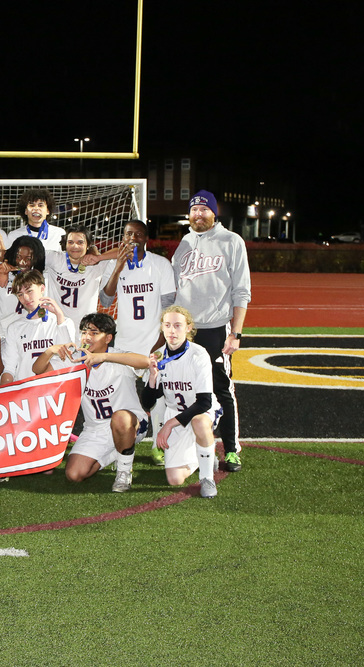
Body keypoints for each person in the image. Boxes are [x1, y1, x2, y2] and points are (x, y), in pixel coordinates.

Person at [171, 190, 250, 472]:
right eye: (194, 210)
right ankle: (190, 444)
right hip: (184, 331)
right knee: (185, 388)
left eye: (204, 210)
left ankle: (231, 449)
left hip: (216, 329)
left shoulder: (232, 241)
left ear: (214, 213)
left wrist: (236, 333)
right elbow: (175, 287)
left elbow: (242, 291)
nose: (199, 214)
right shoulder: (186, 241)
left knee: (221, 389)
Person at [34, 313, 149, 492]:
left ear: (108, 338)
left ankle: (124, 472)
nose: (87, 337)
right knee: (74, 474)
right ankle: (118, 454)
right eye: (84, 332)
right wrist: (50, 351)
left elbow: (146, 362)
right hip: (95, 429)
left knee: (119, 418)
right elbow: (38, 371)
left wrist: (103, 357)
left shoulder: (118, 356)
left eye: (94, 333)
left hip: (130, 423)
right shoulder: (75, 359)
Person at [142, 306, 222, 498]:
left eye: (178, 325)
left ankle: (207, 477)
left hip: (201, 411)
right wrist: (153, 377)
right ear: (162, 328)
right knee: (174, 479)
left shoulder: (198, 354)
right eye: (168, 325)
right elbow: (147, 402)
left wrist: (169, 423)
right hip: (176, 411)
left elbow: (204, 402)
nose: (172, 331)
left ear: (188, 328)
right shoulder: (158, 356)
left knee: (199, 422)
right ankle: (205, 453)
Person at [98, 220, 176, 356]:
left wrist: (162, 340)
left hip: (153, 341)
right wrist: (118, 268)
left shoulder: (161, 264)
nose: (133, 238)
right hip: (123, 342)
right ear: (123, 238)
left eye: (138, 234)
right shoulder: (112, 265)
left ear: (146, 238)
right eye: (129, 234)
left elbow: (168, 307)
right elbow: (106, 301)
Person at [0, 269, 75, 384]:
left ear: (42, 288)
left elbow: (66, 358)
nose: (26, 298)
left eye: (29, 291)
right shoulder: (14, 328)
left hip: (53, 391)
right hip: (25, 393)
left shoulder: (64, 322)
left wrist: (59, 316)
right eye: (20, 294)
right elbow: (9, 368)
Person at [43, 225, 109, 331]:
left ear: (88, 245)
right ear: (65, 244)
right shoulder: (54, 258)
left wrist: (99, 256)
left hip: (85, 329)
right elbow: (30, 254)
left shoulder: (96, 264)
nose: (75, 246)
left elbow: (124, 252)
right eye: (70, 242)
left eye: (80, 242)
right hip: (56, 327)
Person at [0, 236, 47, 320]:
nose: (22, 262)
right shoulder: (3, 271)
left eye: (28, 258)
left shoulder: (39, 278)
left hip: (27, 327)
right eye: (18, 257)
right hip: (2, 328)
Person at [7, 187, 66, 253]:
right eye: (32, 205)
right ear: (26, 211)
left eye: (40, 205)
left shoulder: (59, 234)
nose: (36, 209)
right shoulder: (14, 236)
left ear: (48, 211)